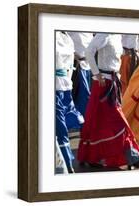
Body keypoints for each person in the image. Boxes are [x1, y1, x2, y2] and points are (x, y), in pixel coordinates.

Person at [77, 33, 139, 170]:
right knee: (118, 121)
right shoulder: (104, 34)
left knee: (97, 121)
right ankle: (133, 158)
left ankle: (89, 157)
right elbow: (89, 51)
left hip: (112, 82)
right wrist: (96, 73)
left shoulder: (116, 36)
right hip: (103, 83)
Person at [55, 31, 84, 173]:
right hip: (55, 86)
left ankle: (66, 163)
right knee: (60, 128)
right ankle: (66, 163)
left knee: (64, 125)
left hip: (65, 86)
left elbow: (71, 61)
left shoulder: (66, 37)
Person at [67, 32, 93, 117]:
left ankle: (83, 120)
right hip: (77, 64)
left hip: (88, 65)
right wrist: (73, 53)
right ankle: (79, 120)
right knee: (82, 95)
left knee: (87, 95)